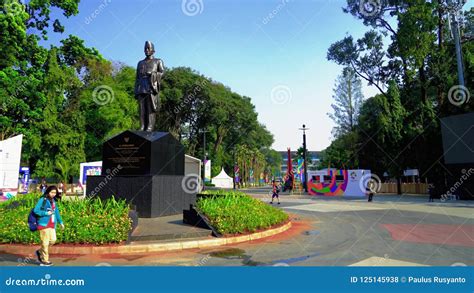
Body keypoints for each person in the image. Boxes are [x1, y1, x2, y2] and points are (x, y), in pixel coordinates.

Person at [33, 186, 65, 266]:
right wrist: (45, 213)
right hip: (43, 224)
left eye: (55, 193)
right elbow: (36, 210)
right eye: (52, 192)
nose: (53, 194)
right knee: (45, 243)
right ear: (48, 192)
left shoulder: (53, 201)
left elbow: (56, 212)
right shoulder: (43, 200)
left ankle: (40, 251)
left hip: (52, 224)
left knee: (53, 240)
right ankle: (45, 260)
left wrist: (60, 222)